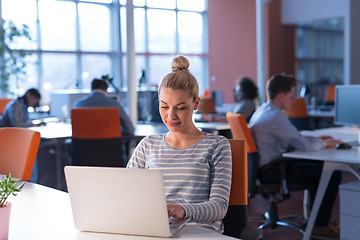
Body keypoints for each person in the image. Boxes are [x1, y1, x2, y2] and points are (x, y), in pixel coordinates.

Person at [127, 56, 232, 233]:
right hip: (155, 231)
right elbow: (125, 193)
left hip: (199, 233)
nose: (171, 116)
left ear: (196, 103)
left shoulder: (216, 146)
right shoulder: (147, 145)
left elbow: (219, 207)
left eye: (181, 107)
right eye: (164, 106)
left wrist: (183, 210)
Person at [249, 74, 342, 239]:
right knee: (331, 172)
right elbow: (303, 146)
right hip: (274, 171)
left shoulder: (263, 110)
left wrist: (315, 139)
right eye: (291, 97)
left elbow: (293, 138)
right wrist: (327, 143)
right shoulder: (275, 117)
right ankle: (320, 225)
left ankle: (317, 221)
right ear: (280, 96)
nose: (293, 101)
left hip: (263, 168)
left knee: (319, 168)